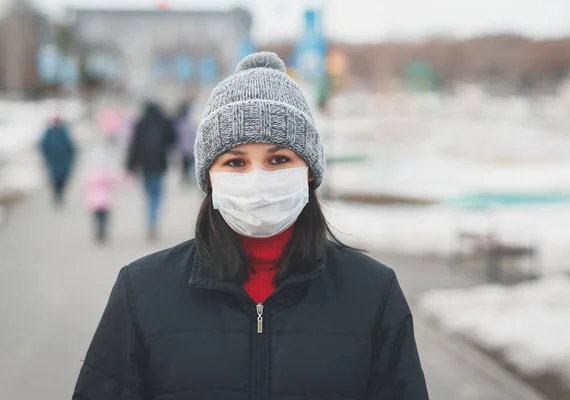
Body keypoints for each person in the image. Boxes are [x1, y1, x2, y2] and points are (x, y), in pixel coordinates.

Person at [73, 52, 429, 399]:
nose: (258, 178)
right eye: (235, 162)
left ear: (309, 171)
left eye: (278, 159)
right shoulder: (142, 292)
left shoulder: (372, 294)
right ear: (209, 177)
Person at [126, 101, 175, 240]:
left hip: (145, 166)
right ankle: (153, 221)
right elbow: (172, 142)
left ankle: (150, 221)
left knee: (149, 195)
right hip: (159, 165)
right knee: (157, 196)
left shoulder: (140, 124)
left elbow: (134, 147)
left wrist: (130, 166)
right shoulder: (164, 123)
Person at [39, 114, 76, 207]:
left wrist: (70, 157)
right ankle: (56, 196)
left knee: (63, 179)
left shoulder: (64, 132)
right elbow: (43, 146)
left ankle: (61, 195)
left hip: (63, 161)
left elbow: (71, 146)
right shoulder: (48, 132)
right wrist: (46, 157)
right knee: (54, 180)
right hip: (53, 161)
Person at [83, 145, 117, 243]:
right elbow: (112, 183)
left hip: (93, 202)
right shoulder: (106, 172)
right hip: (105, 201)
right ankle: (102, 232)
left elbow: (85, 186)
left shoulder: (89, 173)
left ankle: (98, 232)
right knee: (104, 219)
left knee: (96, 219)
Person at [174, 101, 197, 185]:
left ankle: (185, 179)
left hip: (183, 148)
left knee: (185, 165)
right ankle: (186, 179)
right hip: (189, 148)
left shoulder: (178, 123)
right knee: (187, 165)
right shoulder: (189, 123)